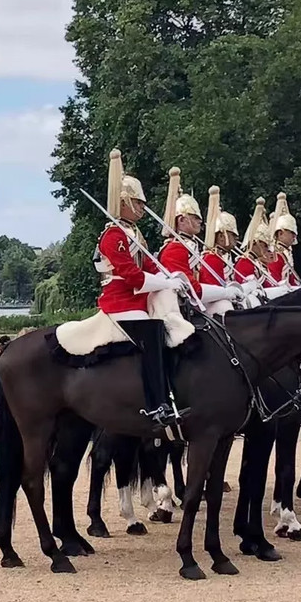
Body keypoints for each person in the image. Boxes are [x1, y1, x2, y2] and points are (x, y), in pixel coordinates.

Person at [93, 149, 186, 429]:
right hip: (120, 302)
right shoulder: (113, 235)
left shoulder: (134, 234)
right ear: (123, 202)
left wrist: (172, 276)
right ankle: (157, 402)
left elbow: (150, 267)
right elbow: (133, 277)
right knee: (153, 331)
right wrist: (166, 282)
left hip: (136, 302)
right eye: (138, 202)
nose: (143, 208)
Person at [158, 168, 240, 314]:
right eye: (195, 217)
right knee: (224, 308)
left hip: (195, 302)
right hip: (182, 307)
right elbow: (192, 289)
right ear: (182, 219)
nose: (200, 221)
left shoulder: (188, 246)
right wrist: (226, 292)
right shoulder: (174, 249)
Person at [201, 186, 243, 316]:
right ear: (220, 236)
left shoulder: (223, 257)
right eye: (232, 235)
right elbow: (215, 290)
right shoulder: (212, 258)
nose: (236, 238)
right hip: (213, 306)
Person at [234, 197, 275, 300]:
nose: (267, 249)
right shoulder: (245, 262)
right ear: (254, 243)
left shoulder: (256, 263)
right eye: (265, 245)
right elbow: (247, 290)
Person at [268, 192, 301, 288]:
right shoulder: (275, 254)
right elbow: (275, 281)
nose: (294, 236)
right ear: (280, 233)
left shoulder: (285, 253)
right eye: (291, 232)